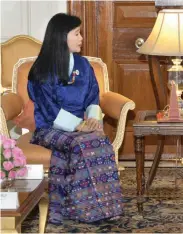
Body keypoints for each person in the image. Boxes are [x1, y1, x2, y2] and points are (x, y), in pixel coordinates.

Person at [28, 13, 123, 224]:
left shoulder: (84, 65)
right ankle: (87, 210)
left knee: (99, 139)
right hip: (49, 129)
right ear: (62, 36)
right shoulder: (41, 70)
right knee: (82, 144)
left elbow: (93, 97)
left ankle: (107, 207)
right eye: (77, 33)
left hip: (81, 127)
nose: (81, 38)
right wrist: (79, 125)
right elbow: (49, 110)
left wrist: (93, 120)